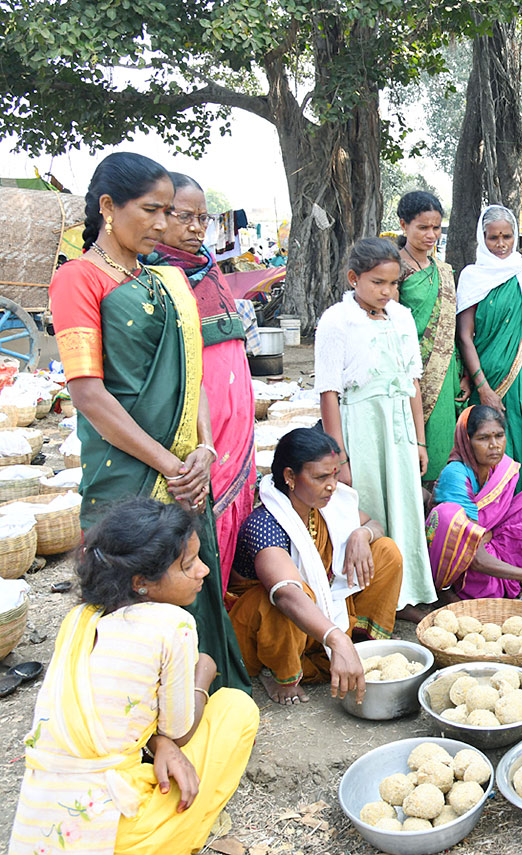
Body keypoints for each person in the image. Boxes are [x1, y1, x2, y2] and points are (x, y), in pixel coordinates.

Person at [49, 151, 249, 694]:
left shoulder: (167, 281)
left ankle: (200, 696)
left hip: (187, 466)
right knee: (133, 591)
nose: (164, 225)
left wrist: (204, 448)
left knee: (189, 574)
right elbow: (89, 393)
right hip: (127, 472)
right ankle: (134, 718)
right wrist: (169, 464)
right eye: (152, 210)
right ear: (109, 207)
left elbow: (192, 373)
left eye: (170, 212)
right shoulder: (79, 280)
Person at [7, 498, 259, 855]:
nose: (204, 571)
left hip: (48, 851)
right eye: (188, 564)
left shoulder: (77, 620)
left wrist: (157, 743)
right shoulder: (172, 623)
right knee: (236, 708)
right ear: (142, 582)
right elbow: (180, 729)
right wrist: (204, 671)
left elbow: (106, 719)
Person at [226, 428, 403, 704]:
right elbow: (286, 594)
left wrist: (362, 534)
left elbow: (373, 524)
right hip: (266, 628)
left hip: (316, 615)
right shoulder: (265, 524)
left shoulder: (326, 505)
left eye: (334, 474)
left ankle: (357, 644)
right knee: (285, 596)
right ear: (289, 477)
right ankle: (279, 671)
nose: (332, 485)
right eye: (321, 477)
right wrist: (336, 638)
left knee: (385, 552)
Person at [143, 173, 256, 592]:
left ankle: (226, 606)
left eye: (203, 219)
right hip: (199, 422)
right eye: (184, 216)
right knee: (205, 514)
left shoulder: (208, 268)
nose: (195, 228)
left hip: (237, 419)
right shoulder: (152, 275)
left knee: (236, 510)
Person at [315, 237, 438, 614]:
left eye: (393, 283)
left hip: (398, 427)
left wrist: (419, 440)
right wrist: (340, 458)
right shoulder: (337, 321)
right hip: (361, 430)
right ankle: (370, 598)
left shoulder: (401, 317)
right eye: (377, 283)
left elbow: (412, 382)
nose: (387, 291)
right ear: (354, 278)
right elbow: (329, 393)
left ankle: (409, 591)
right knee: (366, 507)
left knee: (404, 507)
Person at [426, 406, 522, 599]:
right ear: (467, 441)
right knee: (449, 514)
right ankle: (450, 593)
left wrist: (486, 534)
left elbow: (498, 522)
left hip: (487, 545)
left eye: (499, 436)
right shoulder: (456, 475)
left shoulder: (502, 467)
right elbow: (473, 556)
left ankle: (511, 576)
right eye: (483, 438)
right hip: (459, 563)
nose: (494, 445)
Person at [456, 206, 522, 492]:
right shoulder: (472, 277)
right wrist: (483, 387)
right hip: (485, 379)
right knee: (488, 448)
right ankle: (492, 520)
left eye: (507, 236)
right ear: (482, 238)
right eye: (493, 238)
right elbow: (464, 337)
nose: (501, 245)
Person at [393, 191, 462, 483]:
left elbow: (452, 327)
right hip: (409, 373)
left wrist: (463, 373)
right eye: (423, 227)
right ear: (403, 225)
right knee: (411, 447)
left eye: (436, 227)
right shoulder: (393, 269)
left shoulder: (444, 270)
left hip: (446, 373)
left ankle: (441, 514)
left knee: (443, 446)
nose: (431, 234)